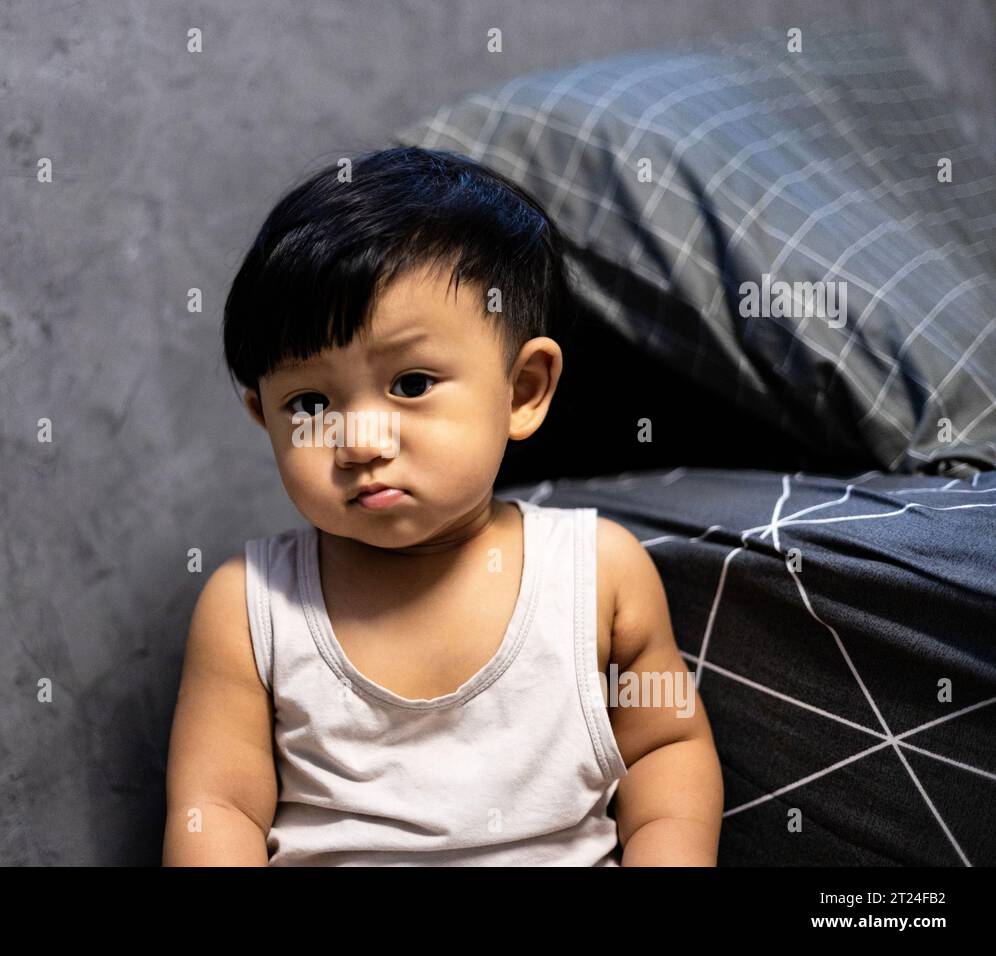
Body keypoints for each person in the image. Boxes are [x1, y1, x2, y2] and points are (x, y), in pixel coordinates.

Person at [163, 146, 722, 866]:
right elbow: (217, 807)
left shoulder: (597, 573)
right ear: (264, 416)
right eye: (309, 403)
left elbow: (665, 750)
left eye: (412, 382)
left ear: (522, 391)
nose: (360, 442)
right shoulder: (250, 607)